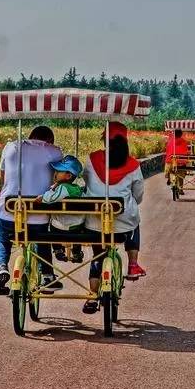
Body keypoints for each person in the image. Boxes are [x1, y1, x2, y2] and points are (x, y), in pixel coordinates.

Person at [81, 121, 146, 314]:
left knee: (98, 255)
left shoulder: (92, 159)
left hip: (96, 221)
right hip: (123, 222)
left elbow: (86, 181)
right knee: (135, 218)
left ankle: (92, 296)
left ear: (105, 140)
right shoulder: (133, 165)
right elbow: (139, 195)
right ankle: (133, 264)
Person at [0, 125, 63, 295]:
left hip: (10, 210)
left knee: (2, 237)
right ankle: (47, 275)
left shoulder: (10, 147)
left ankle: (2, 266)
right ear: (50, 141)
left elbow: (3, 179)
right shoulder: (54, 152)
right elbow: (59, 180)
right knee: (41, 237)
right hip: (37, 215)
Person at [34, 155, 85, 263]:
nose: (55, 173)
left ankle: (58, 250)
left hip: (60, 227)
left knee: (52, 224)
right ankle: (76, 252)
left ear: (68, 175)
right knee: (78, 230)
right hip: (77, 227)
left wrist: (43, 196)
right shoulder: (77, 189)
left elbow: (52, 198)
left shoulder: (63, 188)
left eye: (59, 171)